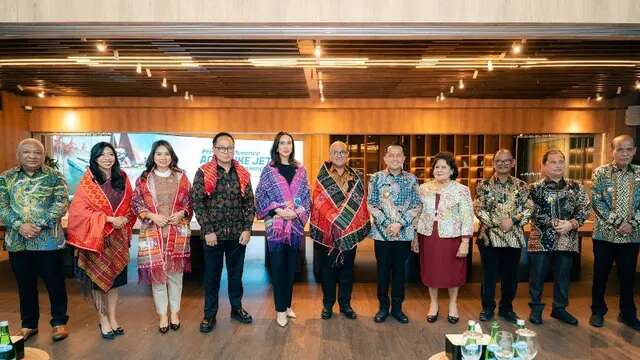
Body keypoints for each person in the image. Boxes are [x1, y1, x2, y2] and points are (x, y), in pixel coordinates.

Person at [0, 138, 70, 341]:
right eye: (27, 152)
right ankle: (29, 324)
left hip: (49, 241)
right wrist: (19, 225)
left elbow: (61, 202)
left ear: (43, 155)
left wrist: (38, 224)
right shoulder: (6, 178)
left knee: (55, 283)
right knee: (25, 285)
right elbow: (2, 207)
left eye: (37, 153)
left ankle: (59, 322)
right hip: (17, 241)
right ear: (18, 155)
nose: (32, 156)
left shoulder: (55, 176)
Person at [67, 142, 136, 340]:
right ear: (94, 158)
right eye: (102, 155)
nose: (107, 158)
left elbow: (131, 205)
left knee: (115, 283)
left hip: (118, 240)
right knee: (98, 283)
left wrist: (125, 218)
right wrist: (107, 219)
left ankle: (113, 318)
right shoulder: (88, 181)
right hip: (96, 240)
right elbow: (79, 212)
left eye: (110, 154)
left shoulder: (122, 178)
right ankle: (103, 319)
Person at [192, 132, 256, 333]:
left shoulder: (243, 173)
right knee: (212, 276)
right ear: (214, 149)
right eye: (222, 148)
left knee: (236, 275)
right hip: (213, 237)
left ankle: (236, 308)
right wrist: (208, 230)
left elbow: (249, 203)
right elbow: (198, 203)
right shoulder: (203, 172)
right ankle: (209, 315)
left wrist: (247, 228)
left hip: (238, 235)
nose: (226, 151)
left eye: (230, 148)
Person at [132, 140, 193, 333]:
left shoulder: (182, 177)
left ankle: (175, 312)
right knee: (158, 278)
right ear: (153, 156)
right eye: (159, 154)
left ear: (172, 156)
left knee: (175, 277)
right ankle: (163, 315)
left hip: (177, 232)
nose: (163, 157)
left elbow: (191, 202)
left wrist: (182, 213)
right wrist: (152, 216)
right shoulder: (144, 179)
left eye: (166, 154)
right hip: (153, 232)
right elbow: (136, 203)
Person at [527, 149, 589, 326]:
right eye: (553, 162)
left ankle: (559, 309)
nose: (558, 165)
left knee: (563, 275)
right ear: (544, 166)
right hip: (540, 239)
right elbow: (532, 211)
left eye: (561, 161)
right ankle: (536, 309)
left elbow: (585, 208)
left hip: (567, 239)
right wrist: (555, 223)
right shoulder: (534, 188)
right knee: (537, 276)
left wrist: (572, 223)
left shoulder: (575, 186)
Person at [310, 141, 371, 320]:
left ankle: (345, 305)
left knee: (347, 271)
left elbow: (361, 203)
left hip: (348, 233)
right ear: (329, 155)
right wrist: (336, 220)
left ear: (347, 155)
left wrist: (345, 223)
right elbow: (318, 202)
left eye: (342, 152)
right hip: (328, 233)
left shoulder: (357, 176)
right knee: (327, 272)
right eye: (335, 152)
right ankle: (328, 305)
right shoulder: (322, 177)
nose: (339, 155)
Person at [255, 131, 311, 327]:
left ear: (292, 146)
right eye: (282, 143)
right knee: (278, 268)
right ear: (276, 147)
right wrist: (278, 210)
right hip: (276, 227)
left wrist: (295, 213)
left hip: (295, 225)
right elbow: (260, 196)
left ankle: (287, 305)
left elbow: (306, 197)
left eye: (289, 143)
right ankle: (280, 310)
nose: (286, 146)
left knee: (291, 269)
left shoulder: (301, 170)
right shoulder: (269, 170)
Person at [474, 149, 533, 323]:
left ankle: (507, 308)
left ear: (513, 163)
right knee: (488, 277)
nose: (503, 163)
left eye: (507, 160)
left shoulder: (522, 186)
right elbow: (478, 209)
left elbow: (529, 208)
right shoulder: (483, 185)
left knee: (510, 278)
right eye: (499, 161)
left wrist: (513, 220)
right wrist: (500, 223)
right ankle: (487, 308)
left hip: (513, 239)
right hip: (488, 239)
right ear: (494, 163)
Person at [414, 152, 474, 325]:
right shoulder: (423, 188)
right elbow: (417, 214)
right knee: (431, 271)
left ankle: (453, 304)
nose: (439, 170)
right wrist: (414, 238)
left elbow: (467, 216)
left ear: (452, 170)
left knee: (453, 272)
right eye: (437, 167)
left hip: (452, 237)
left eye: (444, 167)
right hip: (429, 236)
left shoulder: (461, 190)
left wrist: (465, 241)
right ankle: (433, 304)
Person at [589, 134, 640, 331]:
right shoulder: (600, 173)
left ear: (634, 151)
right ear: (613, 151)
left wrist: (632, 224)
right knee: (600, 275)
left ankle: (627, 313)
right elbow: (597, 201)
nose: (624, 153)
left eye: (629, 149)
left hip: (632, 236)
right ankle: (597, 311)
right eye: (620, 149)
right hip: (604, 235)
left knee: (628, 277)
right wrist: (619, 223)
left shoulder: (639, 173)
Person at [367, 144, 421, 324]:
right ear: (385, 158)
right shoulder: (376, 178)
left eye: (399, 155)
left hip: (403, 234)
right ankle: (383, 307)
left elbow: (417, 205)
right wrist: (387, 223)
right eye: (391, 155)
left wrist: (400, 223)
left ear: (404, 159)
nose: (395, 158)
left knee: (399, 272)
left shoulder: (412, 180)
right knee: (382, 271)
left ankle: (397, 308)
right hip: (382, 234)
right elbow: (372, 204)